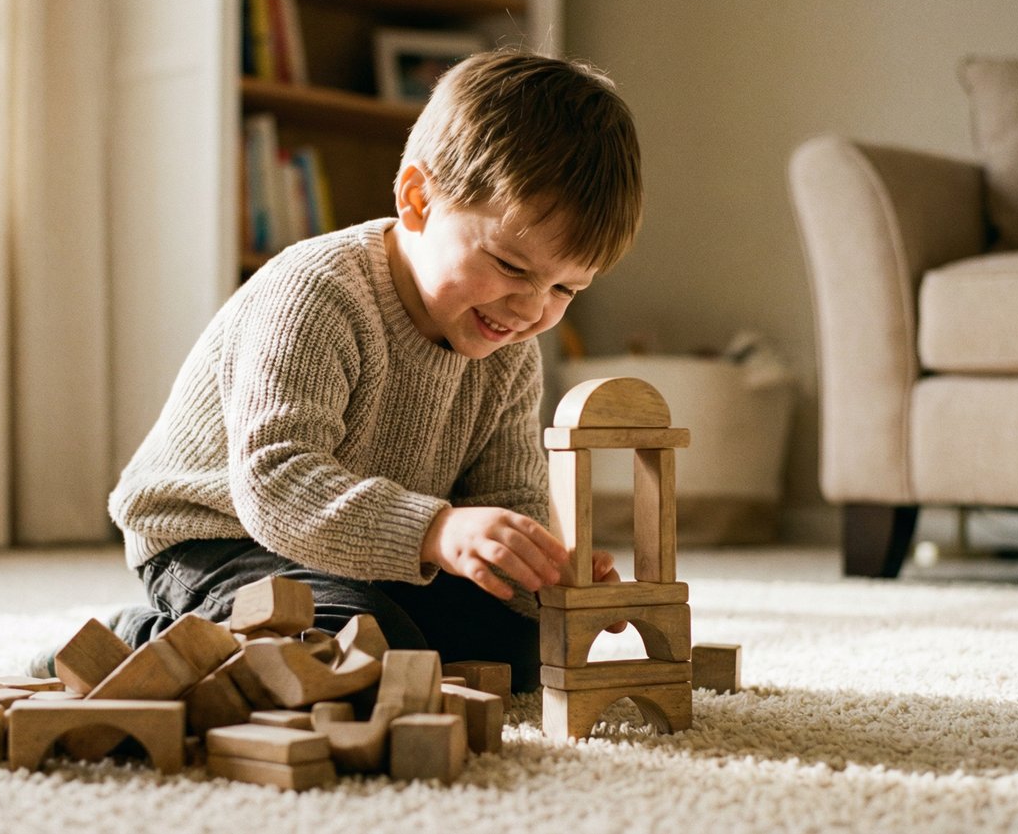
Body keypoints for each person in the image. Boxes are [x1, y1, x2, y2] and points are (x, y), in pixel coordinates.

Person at [92, 49, 642, 693]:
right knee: (355, 648)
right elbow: (274, 483)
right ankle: (135, 644)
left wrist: (542, 576)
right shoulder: (316, 294)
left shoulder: (507, 344)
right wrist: (436, 530)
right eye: (512, 268)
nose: (530, 309)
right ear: (417, 199)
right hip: (219, 535)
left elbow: (506, 497)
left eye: (565, 290)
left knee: (525, 653)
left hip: (373, 550)